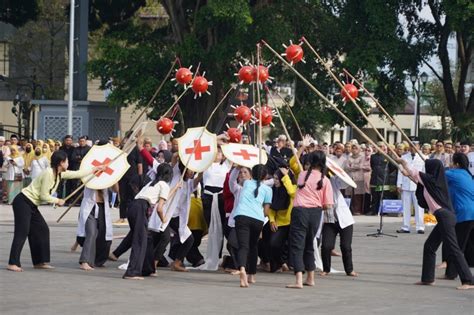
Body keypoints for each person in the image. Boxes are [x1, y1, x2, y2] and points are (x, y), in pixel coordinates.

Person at [7, 150, 104, 272]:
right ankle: (13, 263)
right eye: (67, 161)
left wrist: (95, 169)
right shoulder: (49, 173)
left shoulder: (58, 173)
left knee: (42, 230)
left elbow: (77, 173)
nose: (68, 163)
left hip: (31, 204)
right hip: (23, 202)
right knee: (22, 232)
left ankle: (39, 262)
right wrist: (58, 200)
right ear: (61, 163)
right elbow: (43, 196)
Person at [397, 157, 474, 290]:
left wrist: (403, 163)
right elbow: (417, 178)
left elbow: (415, 173)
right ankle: (427, 279)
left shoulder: (433, 181)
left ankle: (469, 280)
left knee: (454, 248)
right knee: (430, 246)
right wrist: (408, 173)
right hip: (445, 217)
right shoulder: (434, 182)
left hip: (445, 217)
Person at [287, 151, 334, 289]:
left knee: (297, 245)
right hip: (316, 212)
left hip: (300, 211)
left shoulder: (303, 176)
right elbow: (328, 205)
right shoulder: (325, 180)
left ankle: (299, 280)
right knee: (310, 244)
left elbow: (295, 164)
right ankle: (310, 278)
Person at [122, 163, 173, 280]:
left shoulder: (152, 183)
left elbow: (164, 196)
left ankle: (148, 269)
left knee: (148, 239)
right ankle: (132, 272)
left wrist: (175, 188)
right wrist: (164, 219)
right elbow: (160, 208)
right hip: (140, 208)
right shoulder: (164, 185)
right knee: (140, 240)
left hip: (133, 207)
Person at [232, 164, 272, 287]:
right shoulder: (268, 190)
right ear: (265, 176)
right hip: (257, 219)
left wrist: (237, 168)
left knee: (243, 246)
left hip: (241, 216)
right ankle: (252, 275)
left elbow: (234, 180)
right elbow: (266, 211)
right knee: (253, 246)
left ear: (252, 174)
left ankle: (242, 269)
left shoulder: (246, 183)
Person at [444, 153, 474, 280]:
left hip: (463, 213)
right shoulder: (468, 174)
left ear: (456, 163)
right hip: (470, 212)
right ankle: (451, 272)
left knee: (456, 246)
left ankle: (458, 275)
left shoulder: (453, 174)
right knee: (464, 243)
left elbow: (435, 175)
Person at [320, 174, 357, 277]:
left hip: (345, 220)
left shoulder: (333, 180)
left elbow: (345, 183)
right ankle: (326, 269)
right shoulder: (316, 185)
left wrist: (338, 173)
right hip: (329, 220)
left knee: (345, 246)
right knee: (326, 246)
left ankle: (349, 270)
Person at [77, 183, 118, 271]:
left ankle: (98, 260)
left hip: (103, 207)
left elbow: (116, 190)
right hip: (89, 207)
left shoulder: (107, 176)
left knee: (104, 234)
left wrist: (114, 180)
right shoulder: (90, 172)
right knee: (91, 233)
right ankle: (85, 261)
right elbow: (91, 183)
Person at [267, 167, 296, 272]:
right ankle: (280, 263)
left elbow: (292, 193)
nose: (275, 181)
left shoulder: (292, 186)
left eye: (277, 178)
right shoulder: (274, 190)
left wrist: (286, 177)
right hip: (280, 222)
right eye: (274, 178)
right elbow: (272, 208)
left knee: (294, 245)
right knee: (273, 243)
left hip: (293, 222)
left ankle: (294, 266)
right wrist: (272, 220)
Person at [396, 143, 425, 234]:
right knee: (406, 207)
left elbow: (424, 172)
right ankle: (405, 227)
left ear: (418, 146)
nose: (413, 148)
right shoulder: (404, 157)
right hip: (406, 184)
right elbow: (400, 171)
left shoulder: (423, 157)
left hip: (418, 184)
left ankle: (420, 227)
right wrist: (399, 184)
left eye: (415, 146)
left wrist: (424, 184)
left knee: (419, 207)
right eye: (411, 146)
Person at [345, 143, 364, 215]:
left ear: (359, 149)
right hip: (350, 177)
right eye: (353, 148)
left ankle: (357, 210)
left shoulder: (362, 157)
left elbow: (360, 166)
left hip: (358, 178)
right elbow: (346, 167)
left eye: (356, 148)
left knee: (358, 195)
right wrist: (354, 166)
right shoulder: (349, 157)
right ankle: (350, 209)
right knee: (349, 194)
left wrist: (351, 166)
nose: (354, 150)